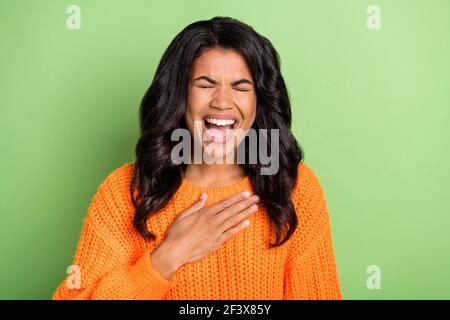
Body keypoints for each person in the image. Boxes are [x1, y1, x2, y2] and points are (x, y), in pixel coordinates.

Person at [52, 16, 342, 300]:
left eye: (241, 87)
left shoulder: (293, 189)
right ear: (180, 94)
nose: (222, 101)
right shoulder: (124, 192)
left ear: (260, 101)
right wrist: (167, 257)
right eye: (205, 84)